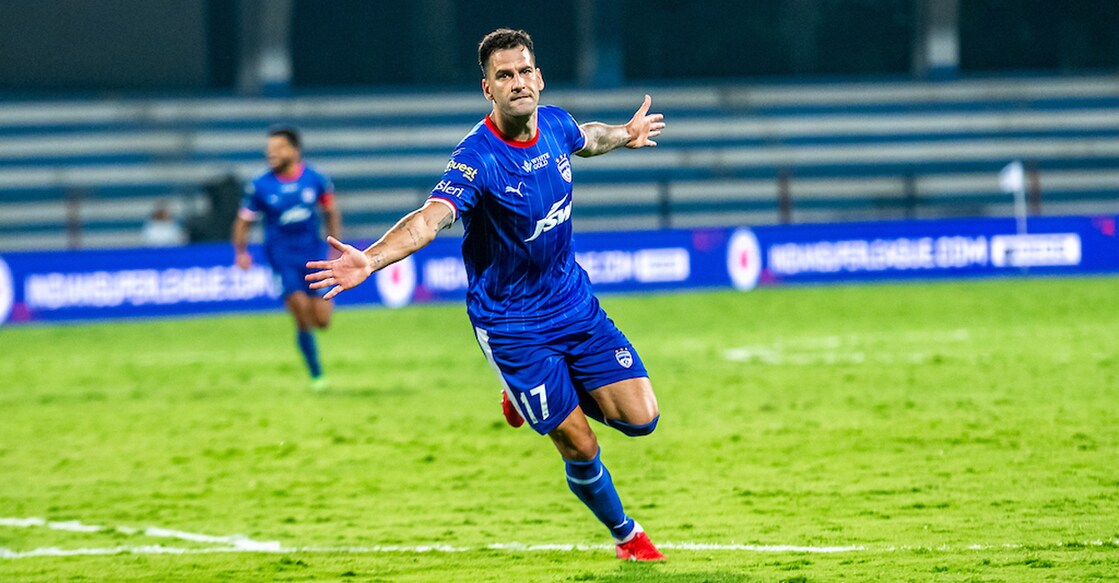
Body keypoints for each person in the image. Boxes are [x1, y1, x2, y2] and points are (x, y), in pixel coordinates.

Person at [306, 28, 667, 560]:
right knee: (581, 446)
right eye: (505, 76)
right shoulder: (477, 158)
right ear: (487, 90)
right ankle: (627, 536)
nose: (518, 83)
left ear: (539, 78)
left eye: (525, 72)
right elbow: (430, 219)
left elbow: (587, 138)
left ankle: (525, 395)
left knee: (642, 420)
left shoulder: (557, 124)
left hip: (573, 304)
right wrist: (372, 258)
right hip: (513, 324)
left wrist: (625, 132)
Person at [233, 125, 341, 390]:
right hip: (281, 256)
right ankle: (317, 375)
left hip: (313, 253)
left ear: (295, 150)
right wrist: (241, 252)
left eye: (279, 148)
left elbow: (330, 211)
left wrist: (335, 246)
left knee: (322, 320)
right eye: (269, 149)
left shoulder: (315, 179)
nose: (272, 154)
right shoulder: (260, 185)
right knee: (301, 313)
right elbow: (243, 222)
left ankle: (311, 343)